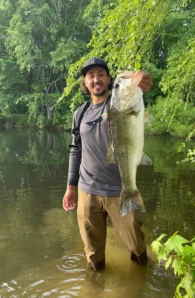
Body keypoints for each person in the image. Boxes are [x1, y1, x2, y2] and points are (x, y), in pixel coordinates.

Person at [62, 57, 153, 271]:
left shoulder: (119, 103)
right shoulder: (80, 113)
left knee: (137, 247)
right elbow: (75, 150)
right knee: (92, 255)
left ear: (109, 79)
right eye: (91, 76)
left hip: (119, 188)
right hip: (87, 191)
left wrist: (140, 81)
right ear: (85, 83)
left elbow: (137, 88)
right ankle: (95, 287)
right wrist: (70, 187)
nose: (96, 79)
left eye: (101, 74)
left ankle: (141, 279)